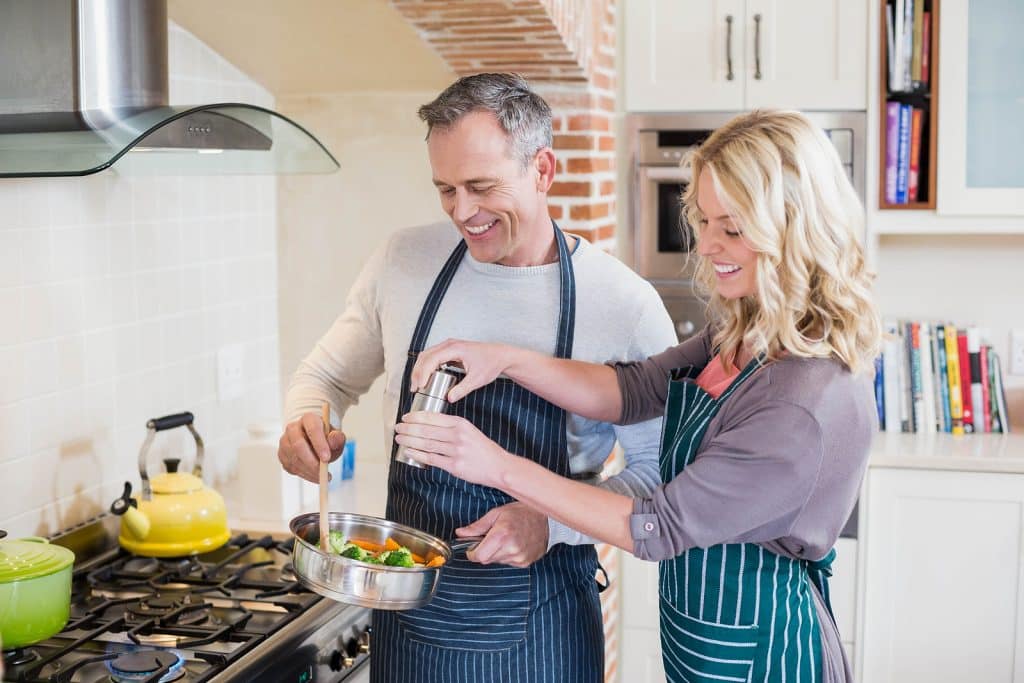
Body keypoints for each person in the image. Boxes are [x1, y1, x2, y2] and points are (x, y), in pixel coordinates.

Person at [397, 109, 883, 683]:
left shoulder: (801, 403)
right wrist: (504, 357)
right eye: (703, 220)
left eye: (731, 227)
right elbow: (632, 390)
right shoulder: (747, 329)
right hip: (705, 637)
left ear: (796, 230)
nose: (706, 245)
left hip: (764, 651)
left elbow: (656, 525)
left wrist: (498, 466)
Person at [277, 73, 677, 682]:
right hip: (409, 624)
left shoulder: (621, 302)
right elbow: (325, 377)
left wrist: (553, 522)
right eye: (445, 189)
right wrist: (306, 421)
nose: (463, 212)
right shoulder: (403, 262)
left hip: (539, 627)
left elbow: (660, 476)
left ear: (542, 170)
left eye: (482, 187)